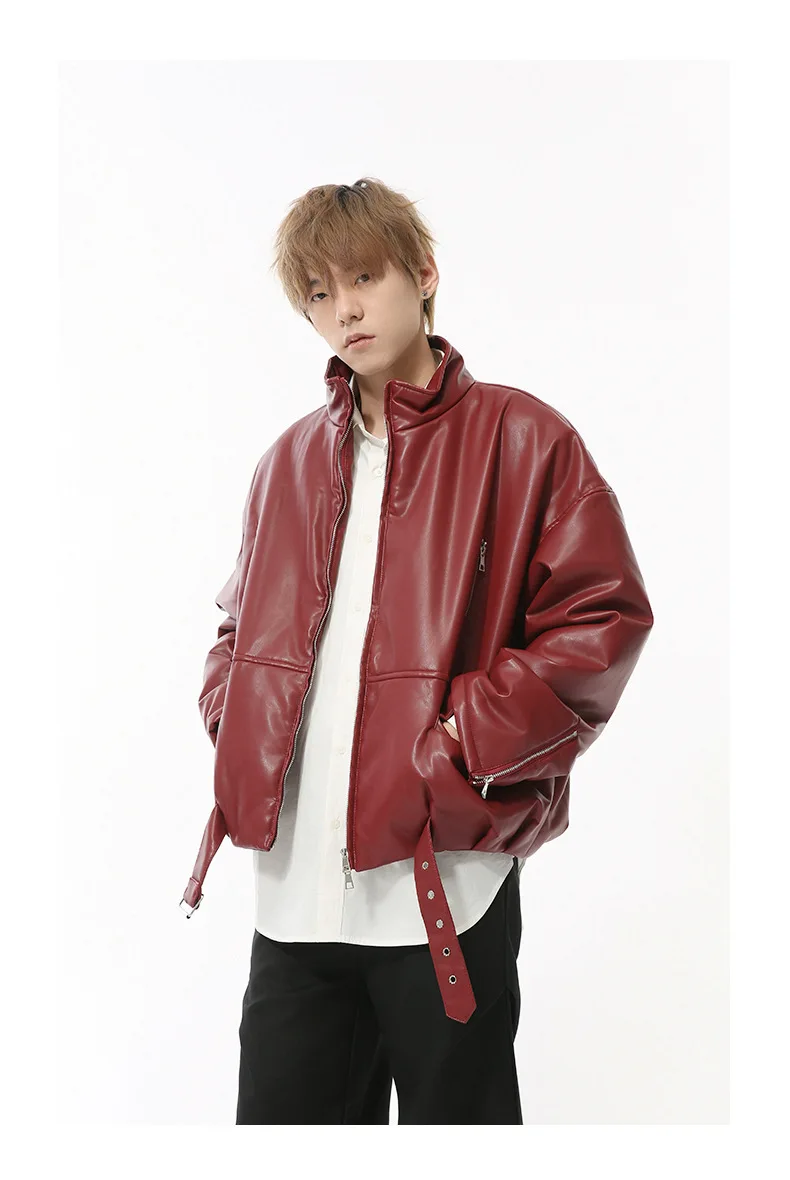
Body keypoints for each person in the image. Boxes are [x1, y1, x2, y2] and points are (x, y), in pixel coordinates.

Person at [180, 177, 654, 1124]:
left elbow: (602, 618)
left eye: (364, 277)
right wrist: (238, 720)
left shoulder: (522, 438)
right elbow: (237, 627)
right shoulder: (287, 462)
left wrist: (460, 742)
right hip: (295, 898)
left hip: (444, 886)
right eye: (319, 292)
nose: (344, 310)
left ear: (424, 274)